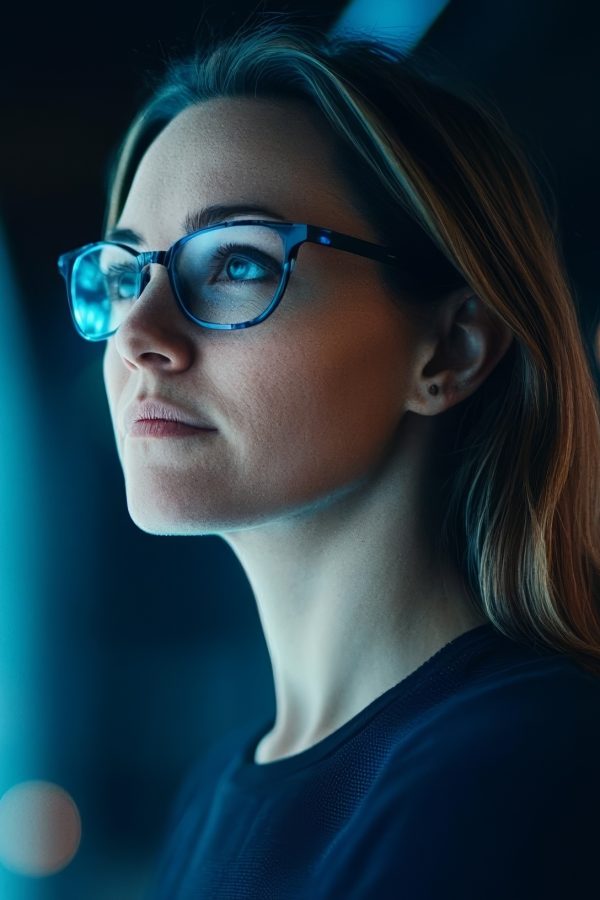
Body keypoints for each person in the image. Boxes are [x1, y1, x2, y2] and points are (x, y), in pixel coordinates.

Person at [58, 20, 600, 900]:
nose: (139, 336)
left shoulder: (527, 767)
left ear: (451, 350)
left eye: (236, 262)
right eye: (124, 276)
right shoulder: (214, 791)